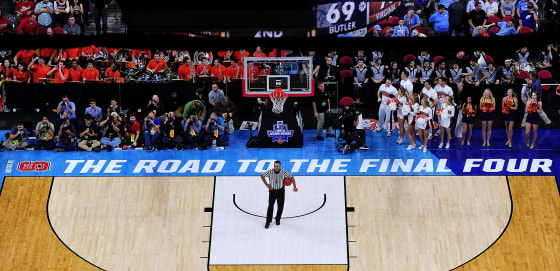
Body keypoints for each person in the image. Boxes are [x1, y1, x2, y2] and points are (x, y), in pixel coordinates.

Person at [261, 160, 298, 229]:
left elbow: (292, 178)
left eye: (277, 166)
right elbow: (262, 176)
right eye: (275, 166)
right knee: (270, 206)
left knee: (280, 206)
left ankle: (277, 219)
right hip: (272, 191)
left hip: (281, 191)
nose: (276, 167)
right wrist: (267, 185)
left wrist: (294, 186)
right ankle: (268, 222)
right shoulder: (270, 172)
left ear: (280, 166)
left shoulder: (283, 172)